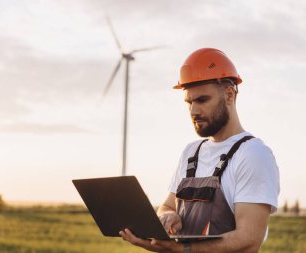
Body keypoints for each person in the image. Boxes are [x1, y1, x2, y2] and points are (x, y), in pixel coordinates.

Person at [119, 48, 280, 253]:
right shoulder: (191, 152)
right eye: (189, 102)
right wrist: (167, 216)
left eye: (202, 100)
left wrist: (182, 249)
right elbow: (167, 206)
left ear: (229, 95)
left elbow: (248, 239)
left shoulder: (253, 155)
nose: (194, 111)